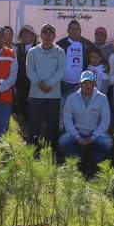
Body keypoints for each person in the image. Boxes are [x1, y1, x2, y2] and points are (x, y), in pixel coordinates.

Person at [58, 71, 112, 171]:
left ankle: (95, 163)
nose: (87, 86)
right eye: (84, 83)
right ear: (80, 84)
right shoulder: (71, 98)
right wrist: (77, 136)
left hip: (94, 133)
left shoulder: (102, 98)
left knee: (107, 143)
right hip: (77, 133)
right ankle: (77, 162)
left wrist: (93, 137)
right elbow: (67, 119)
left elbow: (105, 121)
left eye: (89, 83)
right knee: (63, 141)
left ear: (94, 84)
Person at [26, 23, 66, 151]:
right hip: (36, 95)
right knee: (34, 124)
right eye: (45, 33)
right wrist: (39, 83)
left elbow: (61, 71)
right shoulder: (33, 51)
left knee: (52, 126)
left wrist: (49, 84)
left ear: (54, 36)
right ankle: (33, 151)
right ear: (41, 35)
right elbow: (30, 70)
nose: (48, 36)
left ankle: (51, 152)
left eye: (50, 33)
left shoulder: (60, 51)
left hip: (53, 95)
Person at [57, 19, 96, 97]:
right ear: (68, 30)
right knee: (64, 107)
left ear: (80, 30)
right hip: (64, 84)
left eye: (77, 29)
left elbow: (95, 59)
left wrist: (105, 63)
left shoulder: (88, 44)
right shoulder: (60, 44)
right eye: (72, 29)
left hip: (81, 85)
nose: (75, 31)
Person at [12, 25, 37, 128]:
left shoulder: (38, 48)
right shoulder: (17, 48)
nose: (26, 35)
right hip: (19, 85)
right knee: (19, 109)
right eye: (24, 33)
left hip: (33, 85)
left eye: (28, 33)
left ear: (33, 35)